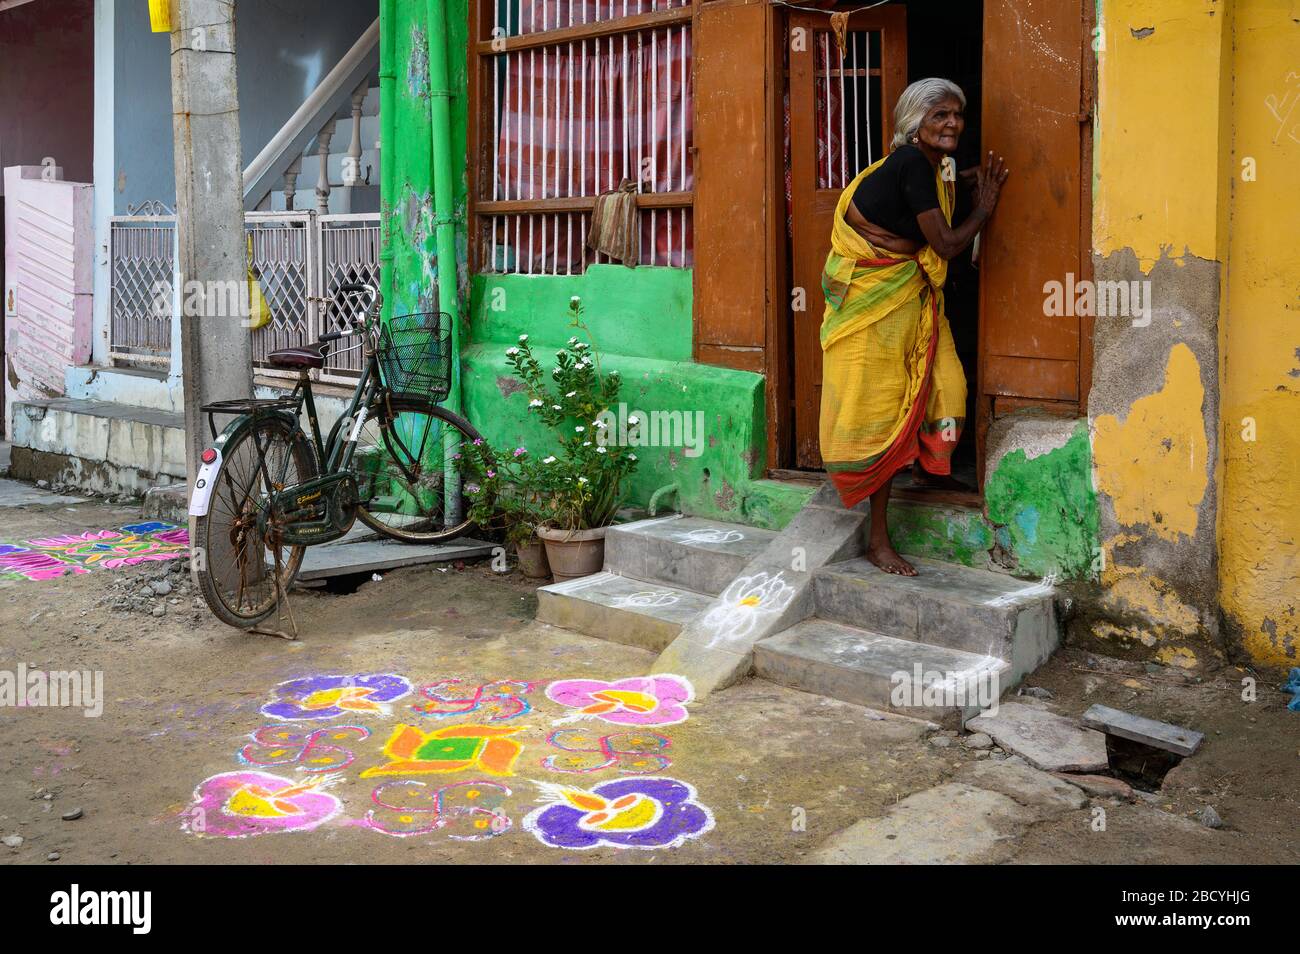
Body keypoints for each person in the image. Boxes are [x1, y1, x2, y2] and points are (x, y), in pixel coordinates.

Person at [818, 77, 1009, 576]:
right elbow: (945, 245)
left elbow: (933, 187)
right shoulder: (909, 164)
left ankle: (926, 466)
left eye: (956, 115)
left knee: (945, 384)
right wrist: (985, 208)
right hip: (875, 303)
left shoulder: (927, 167)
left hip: (905, 297)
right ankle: (879, 539)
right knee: (882, 411)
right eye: (939, 115)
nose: (952, 124)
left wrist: (964, 180)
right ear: (914, 124)